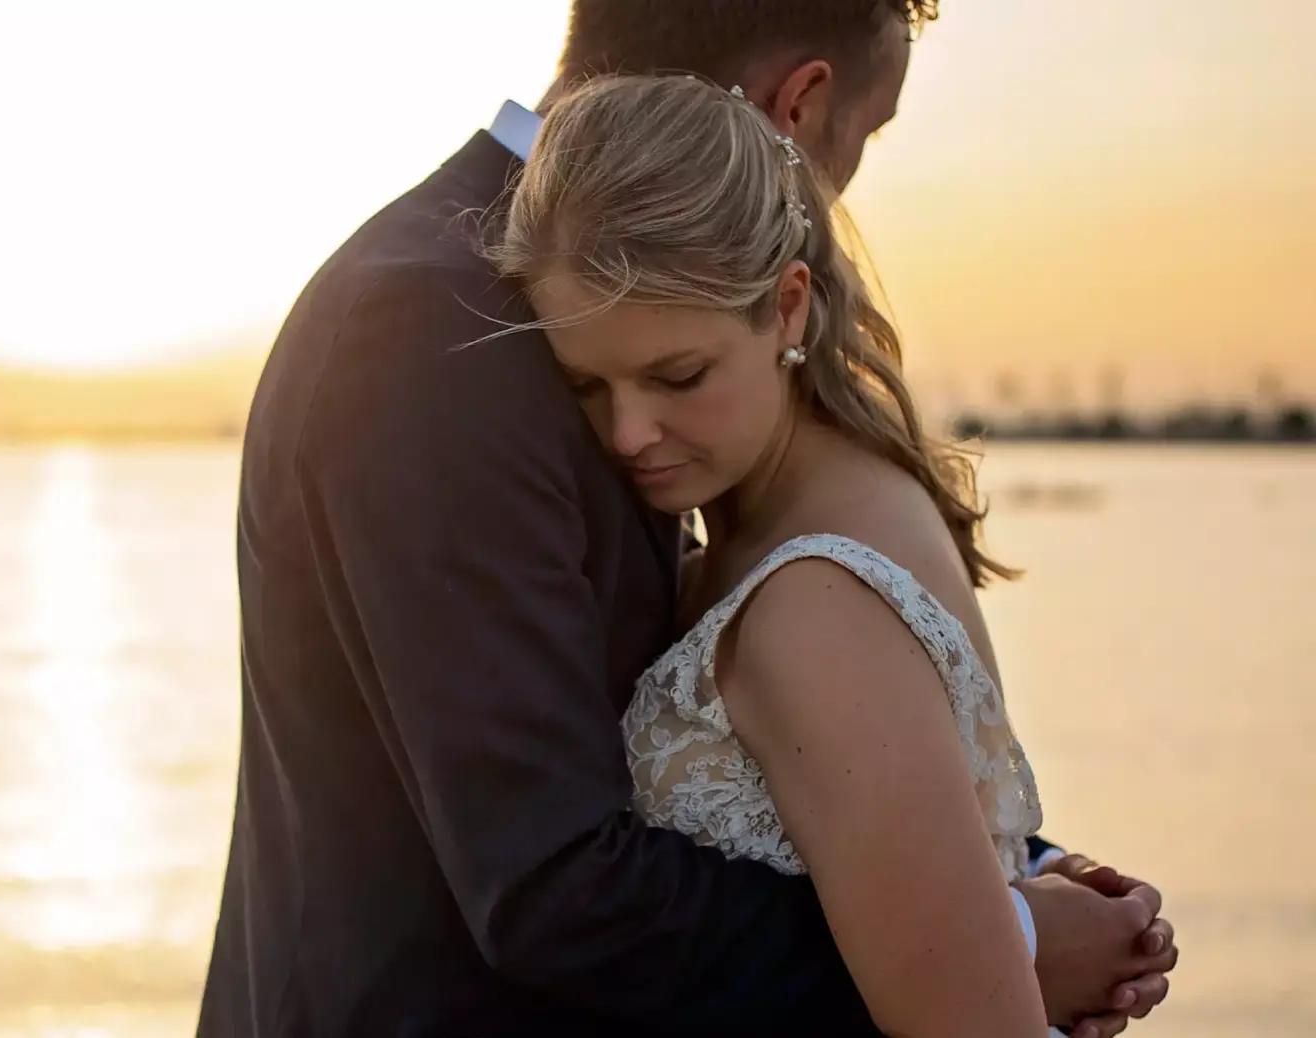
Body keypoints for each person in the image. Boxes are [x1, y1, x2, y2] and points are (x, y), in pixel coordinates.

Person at [201, 3, 1177, 1035]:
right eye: (867, 132)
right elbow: (553, 886)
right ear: (796, 108)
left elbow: (792, 769)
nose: (632, 431)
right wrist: (1005, 938)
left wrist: (995, 867)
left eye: (678, 375)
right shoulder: (436, 324)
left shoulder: (777, 493)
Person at [489, 69, 1159, 1037]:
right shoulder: (808, 511)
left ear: (789, 309)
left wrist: (1012, 928)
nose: (629, 431)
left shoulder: (814, 602)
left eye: (677, 375)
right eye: (588, 386)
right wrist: (1024, 905)